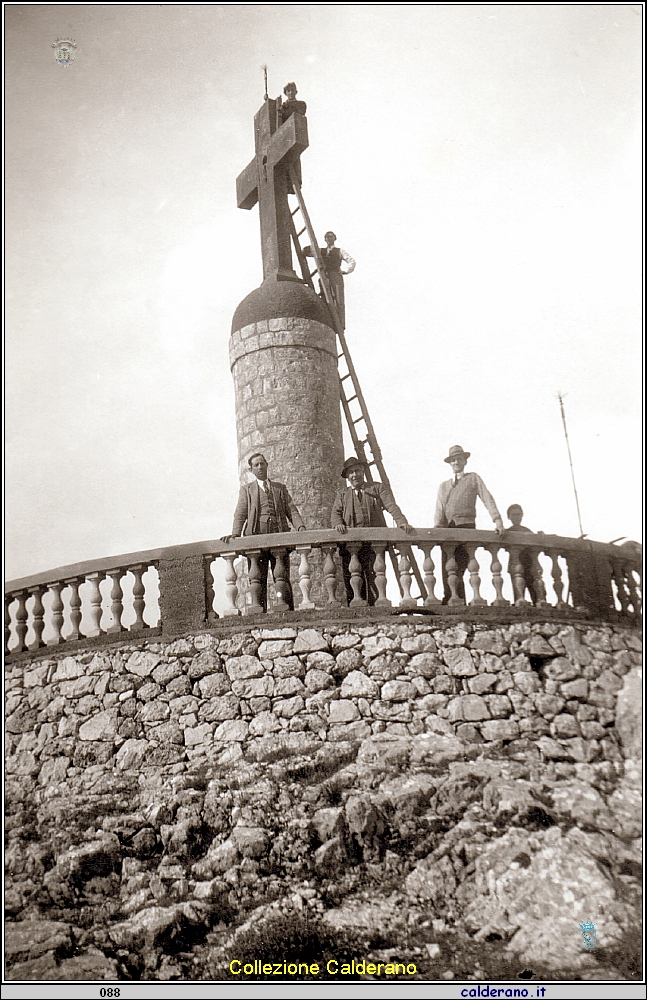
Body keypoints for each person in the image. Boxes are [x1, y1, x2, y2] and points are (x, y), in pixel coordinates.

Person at [228, 453, 305, 612]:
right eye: (256, 465)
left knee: (281, 576)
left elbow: (291, 510)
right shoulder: (247, 490)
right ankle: (260, 613)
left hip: (279, 540)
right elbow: (240, 514)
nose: (260, 467)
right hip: (256, 541)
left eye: (262, 463)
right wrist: (235, 534)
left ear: (267, 465)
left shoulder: (279, 488)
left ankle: (286, 612)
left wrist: (300, 527)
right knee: (258, 579)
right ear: (251, 469)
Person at [331, 456, 413, 605]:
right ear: (347, 476)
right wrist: (338, 524)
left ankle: (376, 610)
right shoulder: (342, 494)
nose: (354, 475)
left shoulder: (376, 488)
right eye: (351, 473)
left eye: (357, 471)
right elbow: (336, 513)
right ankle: (356, 615)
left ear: (363, 471)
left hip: (373, 544)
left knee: (374, 577)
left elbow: (391, 506)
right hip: (351, 545)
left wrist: (401, 521)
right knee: (352, 580)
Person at [434, 445, 504, 603]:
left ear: (465, 461)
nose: (456, 462)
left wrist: (497, 520)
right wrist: (437, 530)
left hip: (466, 528)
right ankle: (451, 600)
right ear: (450, 463)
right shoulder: (444, 486)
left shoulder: (473, 478)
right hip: (448, 531)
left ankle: (458, 601)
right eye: (453, 460)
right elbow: (440, 510)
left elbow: (487, 498)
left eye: (459, 459)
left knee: (459, 569)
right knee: (447, 569)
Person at [304, 231, 355, 328]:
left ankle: (340, 323)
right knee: (325, 296)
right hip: (325, 276)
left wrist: (346, 271)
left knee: (338, 298)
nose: (329, 239)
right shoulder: (322, 251)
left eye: (331, 237)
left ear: (334, 238)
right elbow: (308, 251)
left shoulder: (339, 251)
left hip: (335, 275)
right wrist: (310, 248)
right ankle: (328, 318)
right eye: (327, 237)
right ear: (325, 239)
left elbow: (351, 261)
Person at [506, 504, 543, 605]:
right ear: (509, 517)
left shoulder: (527, 530)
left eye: (519, 514)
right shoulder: (508, 531)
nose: (517, 517)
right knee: (519, 593)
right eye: (514, 515)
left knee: (536, 591)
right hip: (516, 564)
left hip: (529, 563)